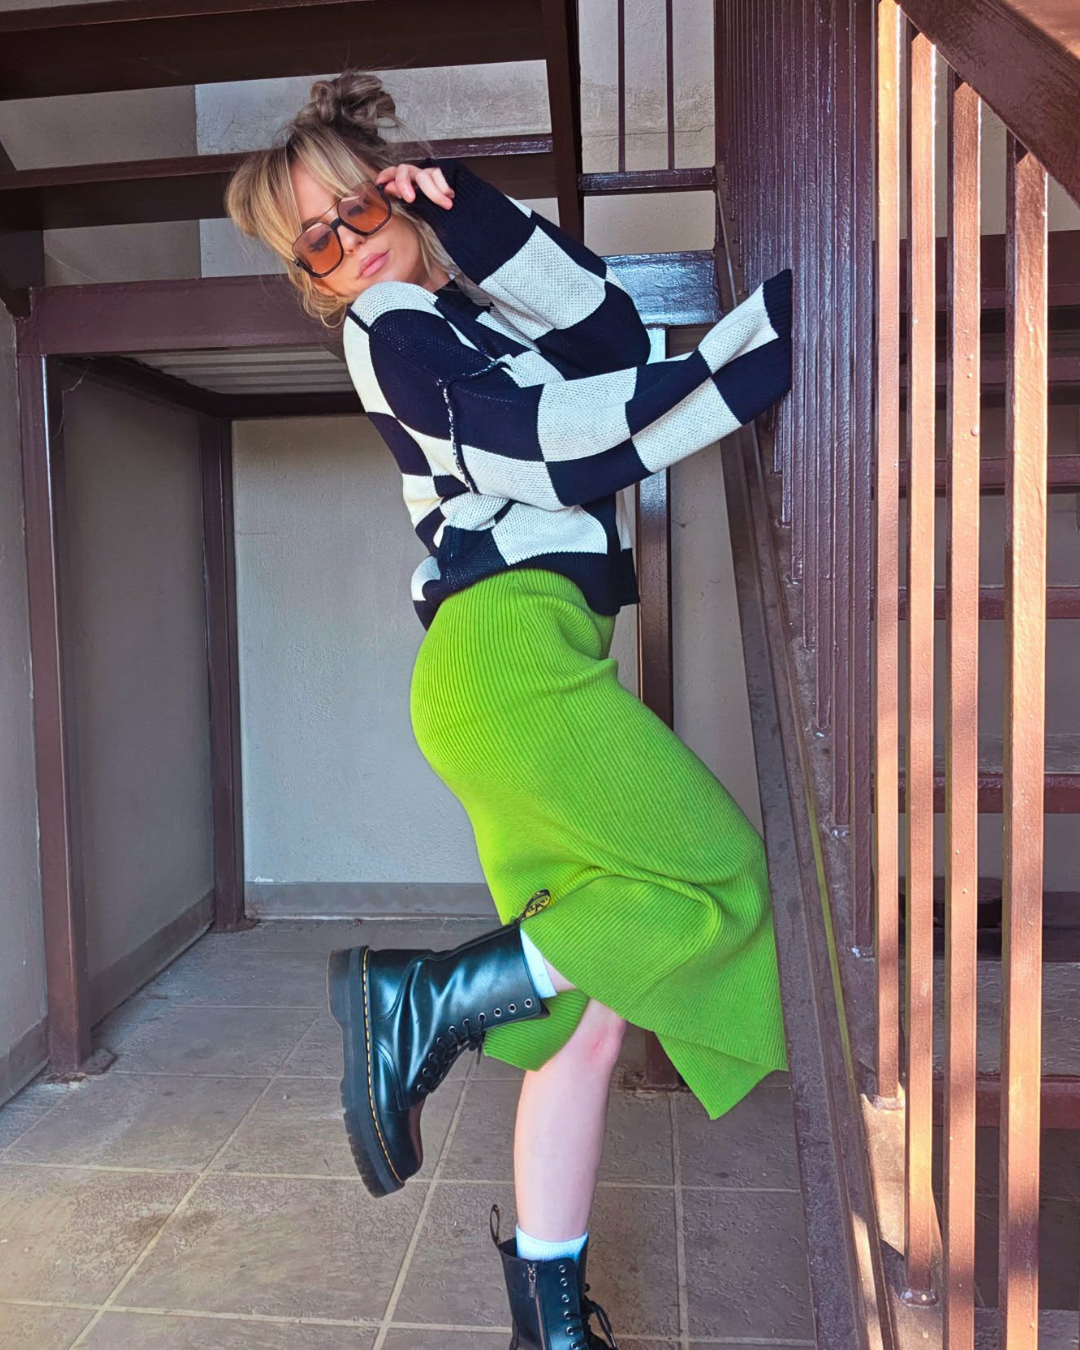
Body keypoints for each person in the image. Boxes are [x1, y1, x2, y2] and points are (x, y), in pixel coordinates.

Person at [225, 67, 792, 1350]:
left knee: (580, 1019)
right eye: (313, 243)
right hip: (509, 658)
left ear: (395, 194)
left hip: (510, 667)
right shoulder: (394, 328)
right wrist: (737, 371)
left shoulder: (456, 314)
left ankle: (549, 1324)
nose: (345, 247)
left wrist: (472, 215)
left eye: (355, 209)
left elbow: (605, 338)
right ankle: (426, 997)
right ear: (310, 274)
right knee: (715, 879)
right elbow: (540, 442)